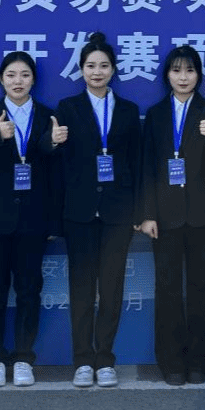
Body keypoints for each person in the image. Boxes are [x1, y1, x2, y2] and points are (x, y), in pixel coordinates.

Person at [0, 51, 62, 389]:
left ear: (34, 79)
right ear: (1, 79)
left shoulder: (48, 116)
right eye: (11, 75)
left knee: (29, 290)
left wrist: (51, 144)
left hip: (34, 216)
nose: (18, 81)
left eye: (25, 75)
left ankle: (23, 358)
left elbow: (56, 173)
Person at [46, 32, 142, 389]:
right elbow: (56, 164)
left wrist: (139, 211)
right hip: (80, 211)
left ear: (113, 69)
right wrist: (51, 143)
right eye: (90, 66)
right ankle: (83, 360)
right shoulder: (68, 107)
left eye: (103, 66)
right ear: (81, 70)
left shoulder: (128, 110)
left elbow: (137, 163)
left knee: (112, 289)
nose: (97, 72)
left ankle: (105, 359)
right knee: (82, 289)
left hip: (118, 212)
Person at [138, 45, 205, 385]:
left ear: (199, 75)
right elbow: (146, 166)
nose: (183, 77)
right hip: (165, 217)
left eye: (189, 70)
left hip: (204, 216)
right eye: (176, 71)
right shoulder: (156, 114)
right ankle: (171, 362)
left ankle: (199, 361)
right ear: (167, 75)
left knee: (202, 290)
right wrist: (147, 214)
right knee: (168, 290)